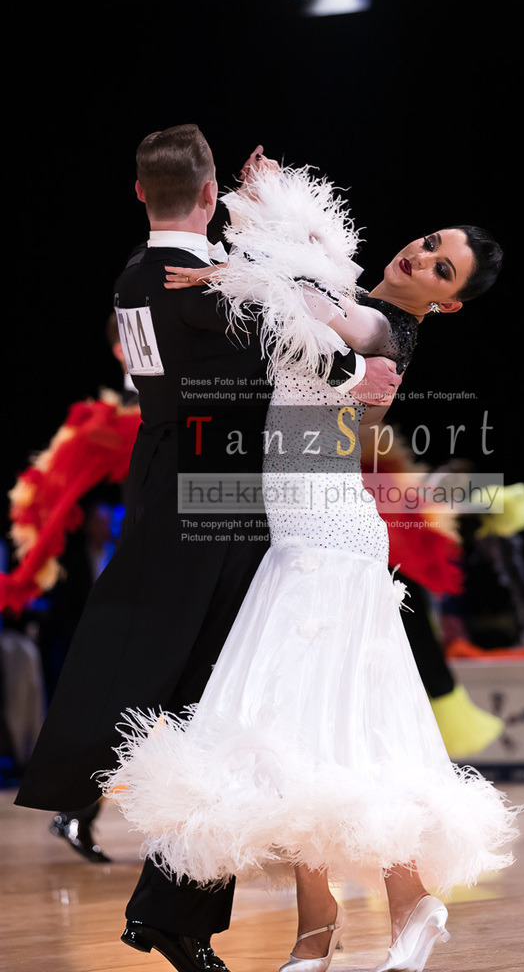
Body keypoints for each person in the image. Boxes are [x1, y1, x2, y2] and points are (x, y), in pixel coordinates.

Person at [101, 157, 522, 972]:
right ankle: (340, 925)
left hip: (327, 541)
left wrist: (250, 263)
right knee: (313, 743)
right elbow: (313, 277)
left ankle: (354, 922)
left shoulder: (384, 334)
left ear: (448, 301)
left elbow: (309, 303)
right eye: (429, 242)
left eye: (441, 267)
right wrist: (266, 201)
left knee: (321, 739)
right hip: (305, 536)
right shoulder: (356, 299)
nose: (420, 256)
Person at [14, 127, 401, 972]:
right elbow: (291, 326)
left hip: (162, 488)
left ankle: (159, 893)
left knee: (193, 698)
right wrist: (356, 378)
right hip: (220, 500)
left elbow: (255, 297)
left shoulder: (135, 275)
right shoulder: (211, 283)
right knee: (219, 705)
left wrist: (253, 213)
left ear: (139, 194)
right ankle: (151, 882)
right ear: (207, 192)